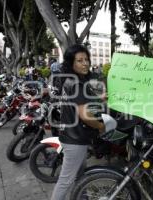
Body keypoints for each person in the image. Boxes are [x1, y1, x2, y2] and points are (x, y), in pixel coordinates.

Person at [51, 44, 105, 200]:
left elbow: (79, 102)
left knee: (79, 175)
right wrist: (101, 127)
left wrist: (99, 98)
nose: (85, 63)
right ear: (71, 63)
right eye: (80, 60)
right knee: (65, 181)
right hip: (75, 139)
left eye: (86, 59)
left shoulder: (70, 80)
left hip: (71, 136)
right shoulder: (77, 83)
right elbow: (85, 115)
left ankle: (82, 197)